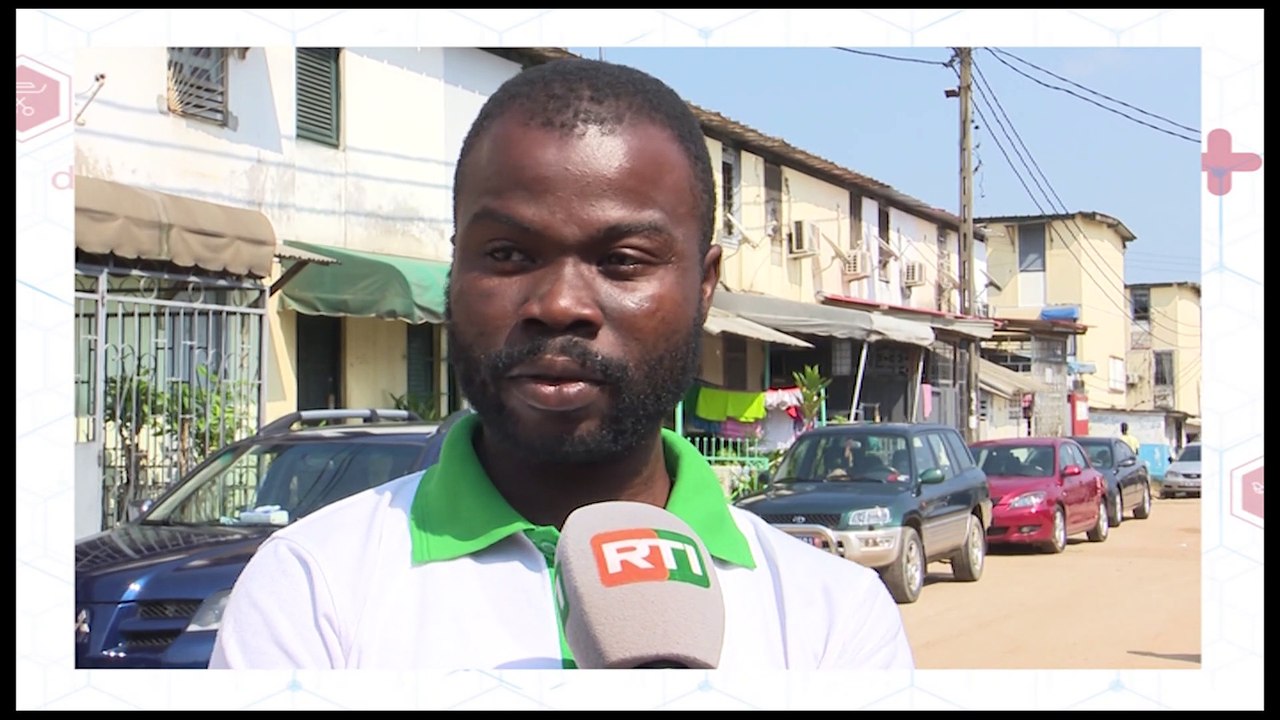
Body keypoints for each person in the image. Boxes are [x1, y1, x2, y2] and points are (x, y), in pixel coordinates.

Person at [208, 57, 914, 671]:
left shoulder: (830, 619)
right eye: (509, 255)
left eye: (621, 261)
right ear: (455, 268)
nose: (560, 303)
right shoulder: (311, 589)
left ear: (703, 286)